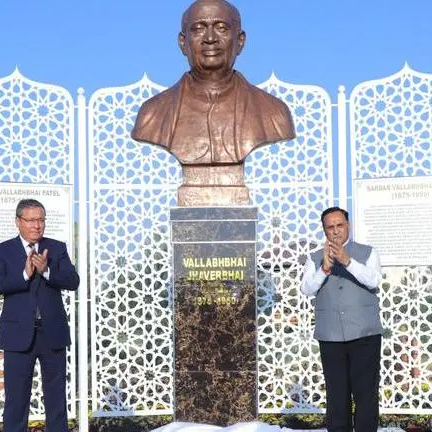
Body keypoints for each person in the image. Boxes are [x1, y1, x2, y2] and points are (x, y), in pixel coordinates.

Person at [131, 0, 295, 205]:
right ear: (183, 43)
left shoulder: (274, 114)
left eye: (221, 28)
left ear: (240, 41)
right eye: (198, 29)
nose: (210, 38)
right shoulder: (152, 114)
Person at [0, 199, 80, 432]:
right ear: (18, 221)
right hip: (17, 336)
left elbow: (73, 281)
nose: (37, 225)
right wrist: (24, 275)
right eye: (31, 220)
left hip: (53, 335)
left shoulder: (56, 248)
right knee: (16, 402)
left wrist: (47, 271)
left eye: (41, 220)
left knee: (56, 401)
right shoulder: (2, 250)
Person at [300, 207, 383, 432]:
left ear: (348, 225)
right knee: (337, 395)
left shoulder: (368, 252)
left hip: (365, 334)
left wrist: (347, 261)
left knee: (366, 394)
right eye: (330, 227)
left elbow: (374, 280)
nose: (336, 231)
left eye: (340, 225)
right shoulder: (314, 258)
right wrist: (324, 269)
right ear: (324, 230)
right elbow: (307, 288)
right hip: (330, 336)